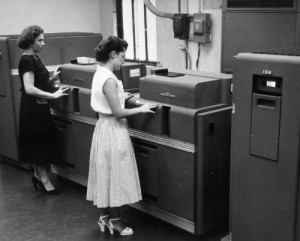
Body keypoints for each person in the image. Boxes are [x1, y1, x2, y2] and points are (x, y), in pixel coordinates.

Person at [86, 36, 157, 236]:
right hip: (113, 129)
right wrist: (141, 109)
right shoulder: (109, 79)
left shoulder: (100, 73)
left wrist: (123, 96)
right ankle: (116, 222)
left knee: (105, 175)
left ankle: (104, 217)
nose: (123, 61)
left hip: (102, 128)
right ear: (113, 54)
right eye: (122, 56)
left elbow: (108, 99)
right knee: (115, 176)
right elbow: (118, 112)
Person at [17, 25, 69, 195]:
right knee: (38, 145)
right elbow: (29, 88)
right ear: (30, 41)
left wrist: (53, 77)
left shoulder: (35, 58)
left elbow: (39, 82)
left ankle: (37, 177)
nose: (43, 43)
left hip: (40, 108)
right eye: (40, 40)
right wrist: (53, 96)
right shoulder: (26, 60)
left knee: (41, 143)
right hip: (32, 110)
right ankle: (45, 180)